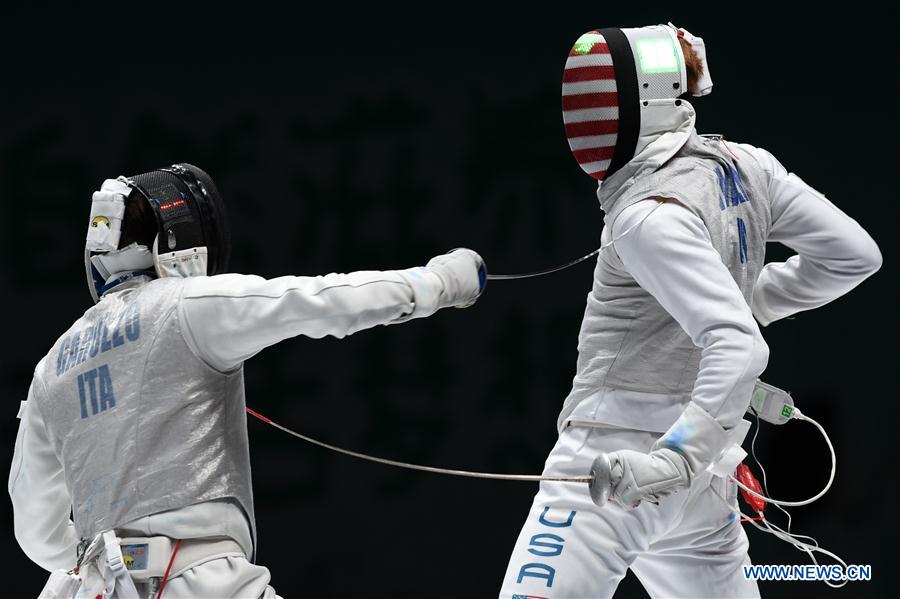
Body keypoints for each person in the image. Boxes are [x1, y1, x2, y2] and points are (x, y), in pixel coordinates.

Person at [499, 23, 882, 598]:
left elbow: (738, 345)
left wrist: (676, 457)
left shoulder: (645, 213)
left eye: (598, 99)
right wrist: (741, 302)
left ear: (649, 99)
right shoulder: (749, 166)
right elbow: (854, 257)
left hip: (614, 466)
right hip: (704, 486)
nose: (581, 120)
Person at [8, 163, 486, 598]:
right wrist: (443, 281)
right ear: (176, 240)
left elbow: (37, 531)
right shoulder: (187, 304)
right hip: (201, 580)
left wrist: (109, 559)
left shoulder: (50, 368)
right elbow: (323, 300)